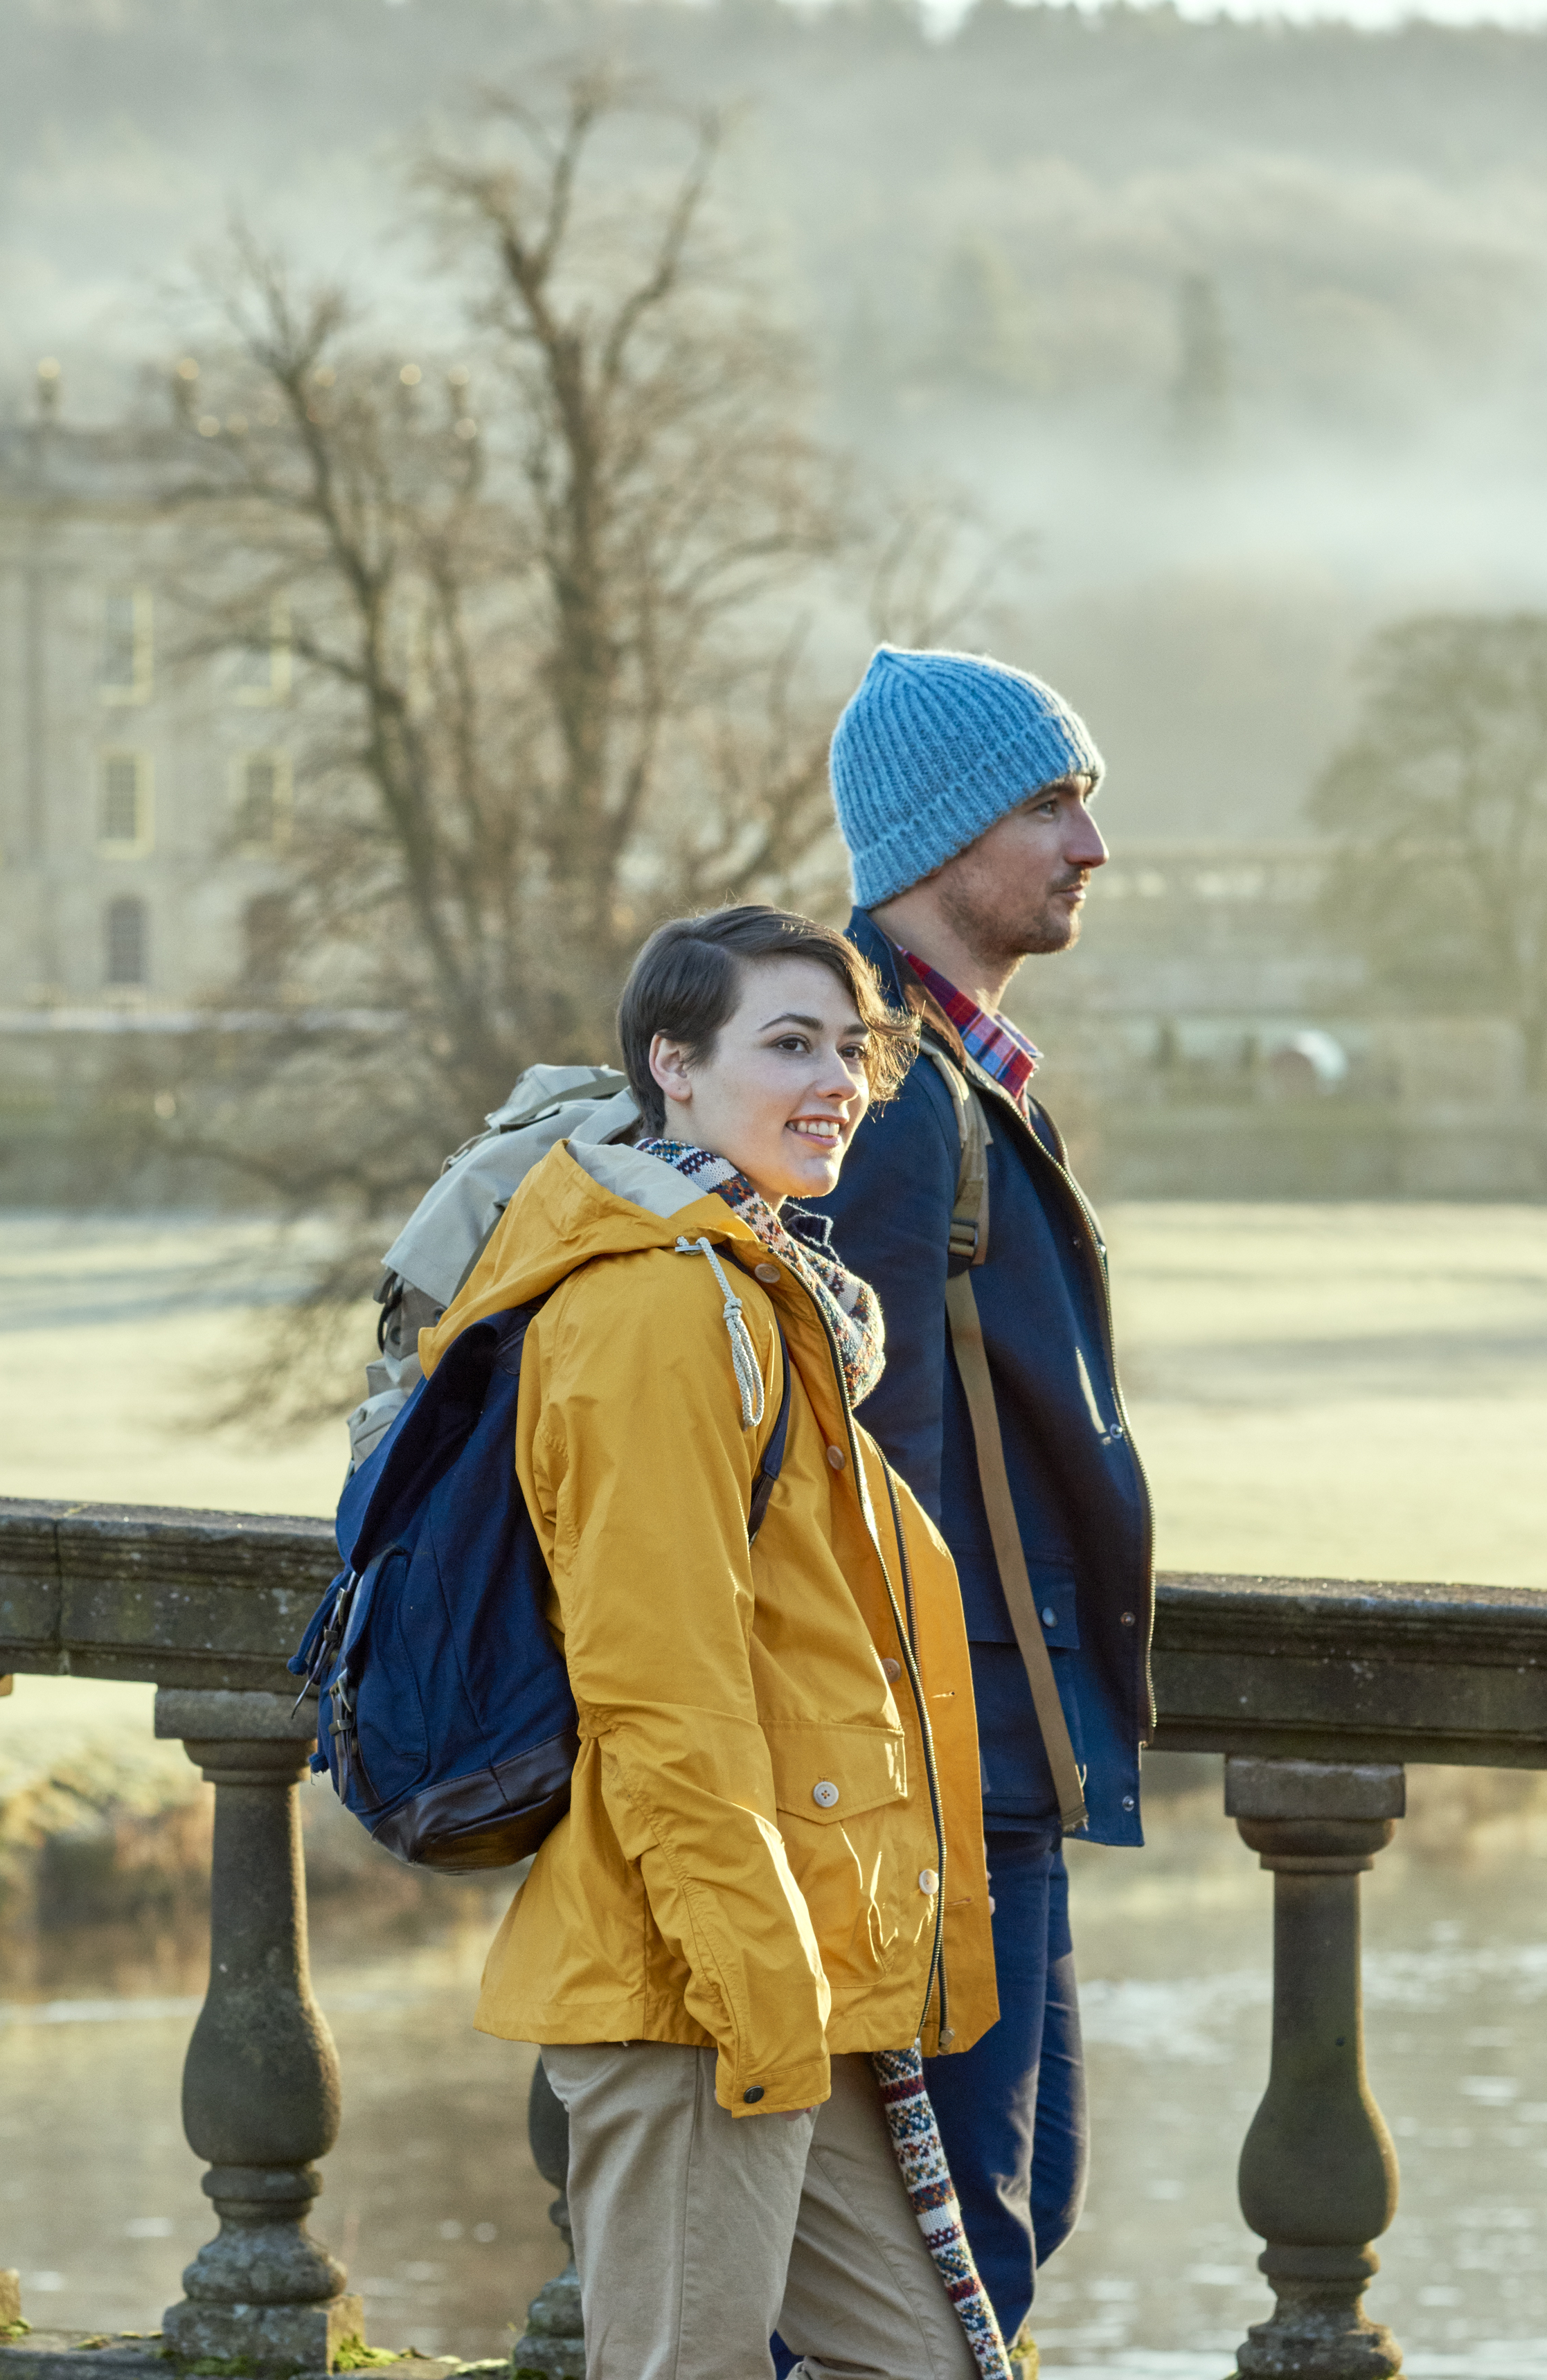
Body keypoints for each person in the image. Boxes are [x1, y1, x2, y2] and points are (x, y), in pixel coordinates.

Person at [446, 903, 1001, 2380]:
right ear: (671, 1068)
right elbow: (660, 1694)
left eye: (850, 1049)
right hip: (694, 1976)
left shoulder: (756, 1287)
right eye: (788, 1045)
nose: (836, 1081)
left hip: (774, 1956)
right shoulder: (655, 1312)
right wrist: (762, 1995)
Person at [801, 647, 1156, 2354]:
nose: (1091, 844)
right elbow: (866, 1479)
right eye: (1049, 804)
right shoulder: (876, 1106)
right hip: (936, 1770)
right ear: (938, 839)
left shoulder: (949, 1074)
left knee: (1016, 2209)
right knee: (932, 2278)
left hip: (1008, 1754)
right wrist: (910, 1778)